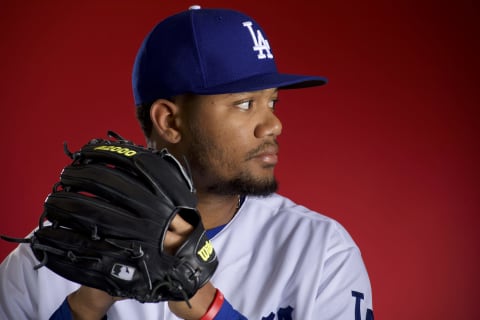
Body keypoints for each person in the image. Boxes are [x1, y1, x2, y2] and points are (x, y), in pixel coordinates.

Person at [0, 6, 374, 320]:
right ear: (170, 121)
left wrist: (211, 310)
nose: (273, 124)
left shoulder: (321, 251)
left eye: (272, 101)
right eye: (245, 103)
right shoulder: (46, 258)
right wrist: (83, 308)